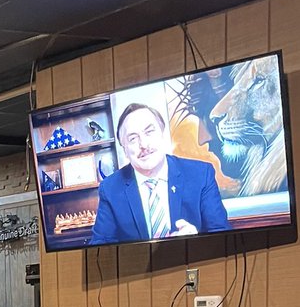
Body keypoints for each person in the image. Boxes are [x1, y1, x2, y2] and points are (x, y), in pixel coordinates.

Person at [90, 103, 229, 245]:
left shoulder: (201, 174)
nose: (144, 145)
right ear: (125, 150)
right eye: (132, 139)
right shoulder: (110, 189)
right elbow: (100, 247)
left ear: (163, 135)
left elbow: (222, 236)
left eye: (149, 132)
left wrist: (196, 241)